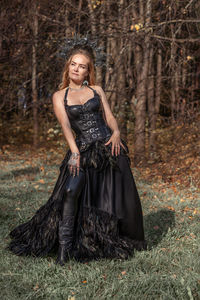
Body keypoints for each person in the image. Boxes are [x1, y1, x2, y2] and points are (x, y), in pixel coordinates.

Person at [9, 46, 147, 265]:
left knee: (116, 198)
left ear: (87, 71)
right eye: (73, 64)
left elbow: (109, 117)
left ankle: (114, 236)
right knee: (71, 190)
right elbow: (65, 125)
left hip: (109, 146)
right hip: (81, 148)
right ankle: (64, 249)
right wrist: (74, 152)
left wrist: (118, 132)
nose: (77, 68)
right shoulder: (59, 96)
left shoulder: (97, 90)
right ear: (68, 67)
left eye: (82, 66)